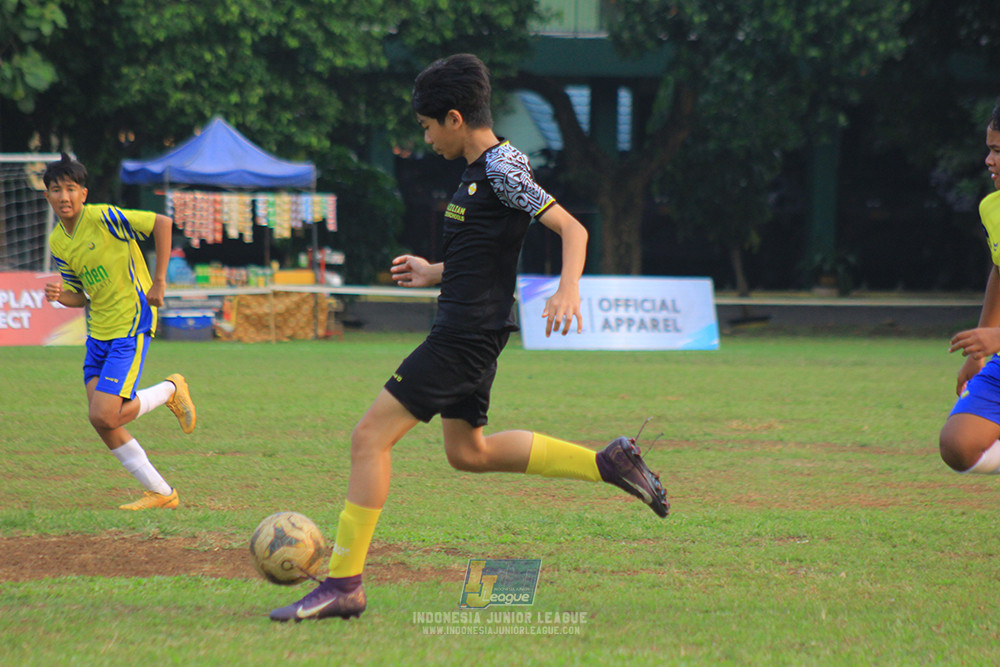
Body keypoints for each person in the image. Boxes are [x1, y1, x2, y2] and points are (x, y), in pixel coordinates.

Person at [269, 53, 668, 623]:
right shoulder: (478, 169)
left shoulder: (503, 168)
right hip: (469, 326)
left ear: (454, 118)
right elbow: (487, 247)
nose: (426, 138)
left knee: (368, 439)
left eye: (428, 127)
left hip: (464, 335)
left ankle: (344, 584)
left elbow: (571, 228)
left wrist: (568, 289)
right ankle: (607, 464)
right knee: (468, 452)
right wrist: (435, 270)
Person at [43, 153, 196, 510]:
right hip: (98, 332)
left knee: (104, 414)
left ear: (83, 193)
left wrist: (159, 281)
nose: (63, 196)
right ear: (47, 196)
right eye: (55, 190)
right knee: (102, 420)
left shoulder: (103, 217)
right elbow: (79, 296)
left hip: (131, 321)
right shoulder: (58, 242)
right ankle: (161, 492)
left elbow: (162, 222)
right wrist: (59, 296)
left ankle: (171, 389)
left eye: (70, 189)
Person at [941, 99, 1000, 474]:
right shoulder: (993, 208)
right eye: (989, 149)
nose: (988, 160)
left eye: (998, 151)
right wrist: (979, 350)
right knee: (957, 446)